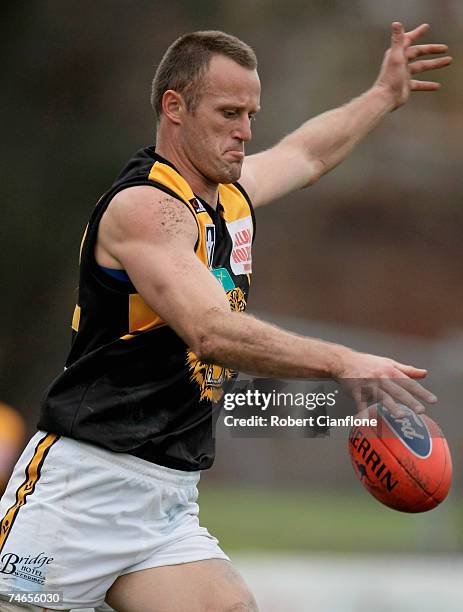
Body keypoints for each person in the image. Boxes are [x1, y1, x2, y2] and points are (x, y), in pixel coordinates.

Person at [0, 22, 451, 612]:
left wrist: (382, 95)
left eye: (252, 114)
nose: (246, 132)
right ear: (175, 108)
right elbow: (210, 332)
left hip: (166, 502)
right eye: (229, 113)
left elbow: (307, 153)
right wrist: (341, 361)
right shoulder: (144, 209)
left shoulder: (229, 195)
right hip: (80, 494)